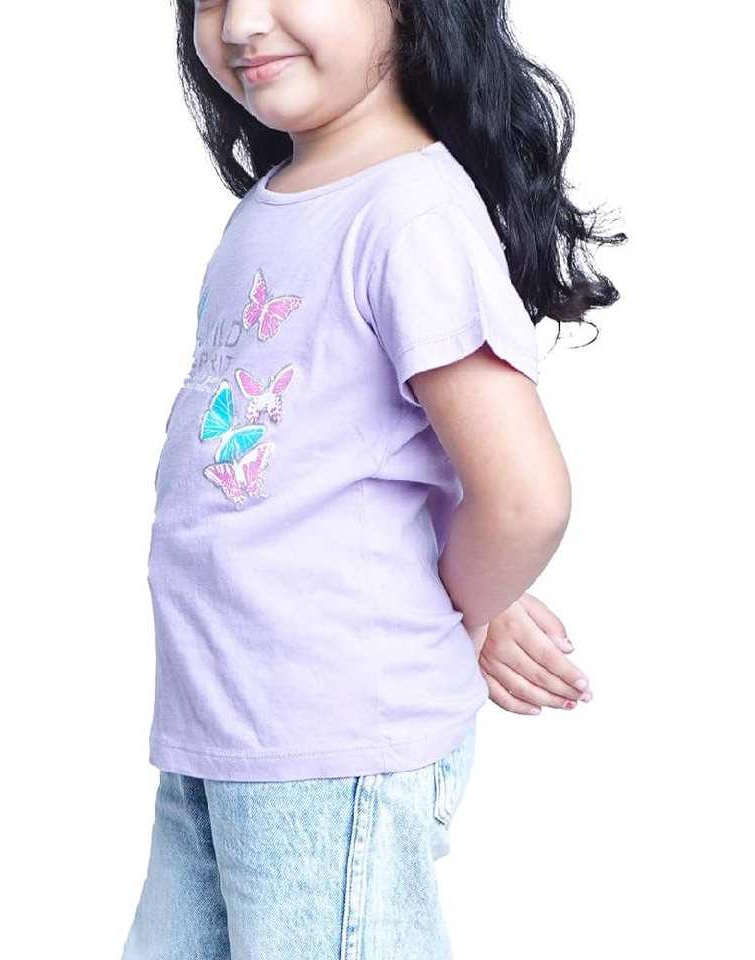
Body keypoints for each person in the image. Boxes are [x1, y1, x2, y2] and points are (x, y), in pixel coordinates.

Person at [123, 0, 625, 957]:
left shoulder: (410, 214)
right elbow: (348, 460)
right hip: (220, 724)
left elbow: (525, 497)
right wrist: (467, 592)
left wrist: (462, 610)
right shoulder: (279, 204)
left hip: (328, 741)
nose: (241, 23)